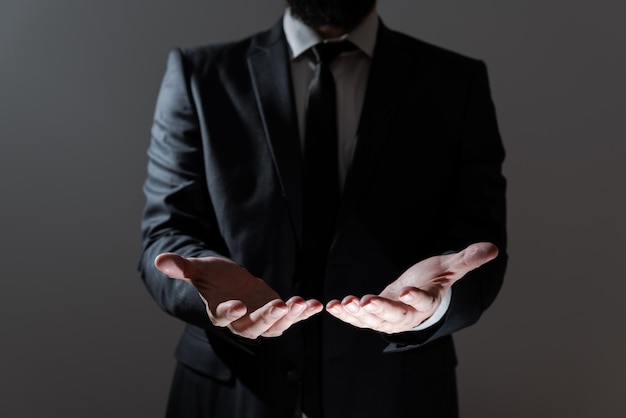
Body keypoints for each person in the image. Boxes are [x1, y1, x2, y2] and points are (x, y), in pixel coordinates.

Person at [138, 0, 508, 417]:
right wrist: (206, 280)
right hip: (230, 396)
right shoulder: (198, 73)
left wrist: (430, 308)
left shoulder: (456, 82)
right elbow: (166, 233)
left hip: (396, 396)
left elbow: (478, 247)